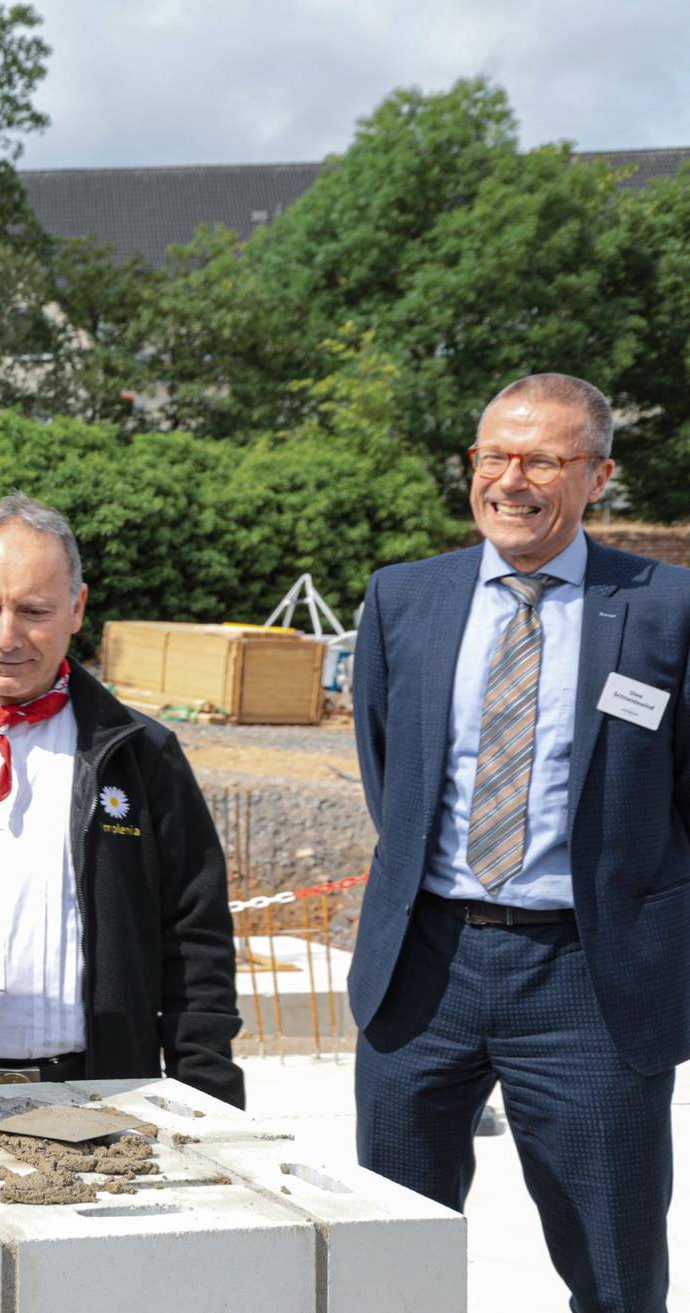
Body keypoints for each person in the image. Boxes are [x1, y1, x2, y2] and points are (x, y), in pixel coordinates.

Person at [351, 373, 689, 1313]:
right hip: (422, 970)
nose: (510, 480)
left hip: (589, 981)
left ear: (599, 476)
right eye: (493, 455)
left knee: (616, 1272)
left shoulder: (666, 608)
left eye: (542, 459)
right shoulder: (403, 597)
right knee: (392, 1258)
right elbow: (390, 773)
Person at [0, 494, 243, 1105]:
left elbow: (195, 936)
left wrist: (207, 1097)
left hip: (102, 1093)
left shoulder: (141, 754)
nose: (6, 636)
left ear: (77, 608)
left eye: (34, 611)